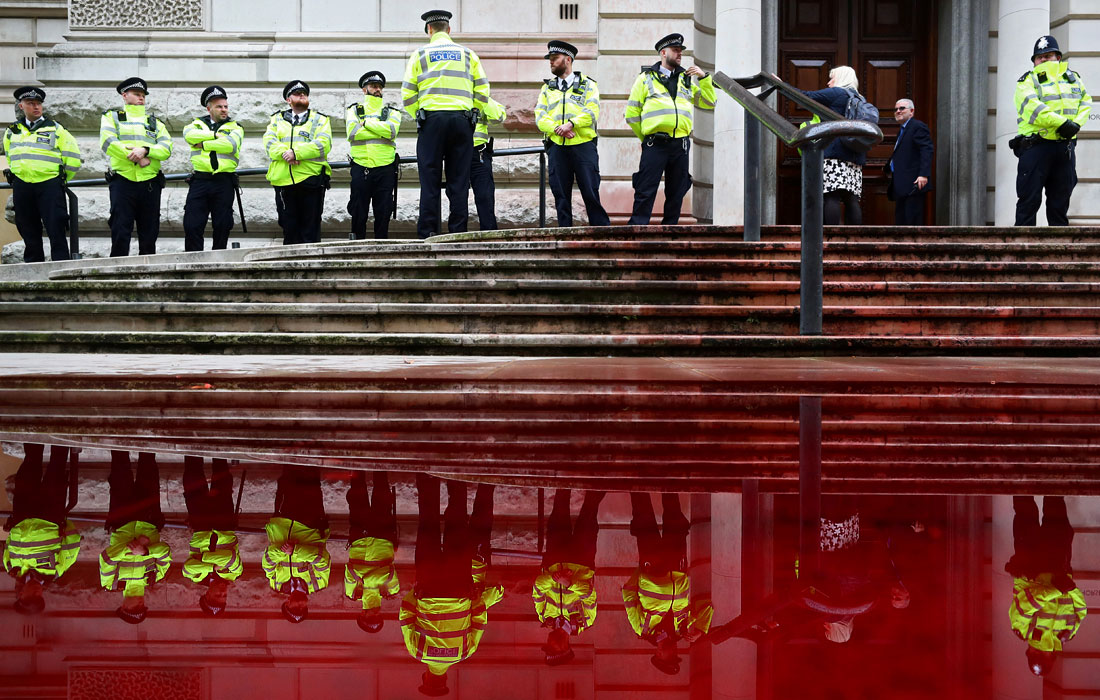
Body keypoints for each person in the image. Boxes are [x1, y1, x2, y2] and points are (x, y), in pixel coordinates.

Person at [402, 474, 502, 696]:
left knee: (457, 521)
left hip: (458, 584)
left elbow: (480, 616)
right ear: (427, 677)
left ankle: (456, 474)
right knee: (427, 521)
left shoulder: (464, 652)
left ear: (445, 676)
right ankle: (426, 473)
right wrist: (415, 592)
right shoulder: (416, 652)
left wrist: (472, 597)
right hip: (428, 584)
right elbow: (405, 616)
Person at [402, 9, 491, 238]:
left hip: (431, 122)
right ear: (449, 30)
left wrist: (417, 113)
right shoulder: (468, 54)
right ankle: (457, 233)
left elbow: (408, 94)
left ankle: (427, 233)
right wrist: (474, 112)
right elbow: (482, 89)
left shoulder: (420, 55)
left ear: (429, 30)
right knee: (459, 181)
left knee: (429, 181)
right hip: (461, 123)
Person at [625, 33, 716, 226]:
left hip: (680, 145)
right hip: (655, 144)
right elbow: (631, 114)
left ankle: (670, 231)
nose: (679, 54)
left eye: (681, 51)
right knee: (645, 189)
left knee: (676, 191)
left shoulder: (686, 79)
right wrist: (646, 138)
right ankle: (636, 230)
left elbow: (710, 102)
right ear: (663, 53)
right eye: (675, 51)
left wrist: (704, 78)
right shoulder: (645, 79)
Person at [622, 492, 713, 675]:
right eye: (676, 656)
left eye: (669, 656)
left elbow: (628, 593)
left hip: (652, 565)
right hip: (677, 567)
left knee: (643, 515)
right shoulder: (684, 630)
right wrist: (702, 630)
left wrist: (643, 572)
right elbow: (706, 606)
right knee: (674, 517)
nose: (674, 652)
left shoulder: (643, 629)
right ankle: (667, 473)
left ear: (659, 653)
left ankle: (637, 470)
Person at [1012, 35, 1091, 226]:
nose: (1044, 60)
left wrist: (1075, 126)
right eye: (1040, 57)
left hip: (1064, 147)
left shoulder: (1074, 79)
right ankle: (1021, 251)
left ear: (1058, 57)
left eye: (1049, 55)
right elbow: (1034, 108)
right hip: (1035, 147)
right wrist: (1063, 124)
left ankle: (1059, 251)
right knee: (1028, 202)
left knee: (1060, 203)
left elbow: (1086, 103)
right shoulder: (1027, 81)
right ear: (1034, 61)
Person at [1005, 496, 1087, 676]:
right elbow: (1081, 609)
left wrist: (1060, 589)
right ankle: (1030, 471)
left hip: (1031, 566)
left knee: (1035, 511)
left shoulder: (1023, 629)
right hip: (1053, 565)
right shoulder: (1067, 633)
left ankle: (1028, 471)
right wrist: (1070, 588)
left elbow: (1028, 602)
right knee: (1048, 510)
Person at [535, 40, 610, 228]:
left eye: (555, 59)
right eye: (550, 59)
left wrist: (571, 124)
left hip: (583, 146)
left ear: (568, 60)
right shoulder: (547, 88)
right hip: (557, 148)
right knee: (560, 196)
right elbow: (540, 117)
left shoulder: (588, 85)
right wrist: (557, 129)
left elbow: (592, 112)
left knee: (591, 192)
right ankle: (564, 235)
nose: (551, 62)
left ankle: (601, 235)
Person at [2, 87, 81, 262]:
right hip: (22, 186)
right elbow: (10, 156)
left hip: (49, 185)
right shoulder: (11, 131)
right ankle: (33, 267)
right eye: (31, 103)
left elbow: (74, 159)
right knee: (27, 229)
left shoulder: (56, 129)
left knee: (56, 227)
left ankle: (61, 266)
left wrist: (59, 179)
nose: (36, 107)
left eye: (38, 103)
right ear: (21, 106)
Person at [2, 444, 80, 614]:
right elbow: (73, 546)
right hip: (50, 516)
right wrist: (64, 524)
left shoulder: (11, 567)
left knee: (30, 463)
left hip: (22, 514)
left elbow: (9, 543)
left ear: (21, 594)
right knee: (57, 465)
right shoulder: (54, 572)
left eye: (31, 597)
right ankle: (62, 427)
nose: (37, 593)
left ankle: (34, 429)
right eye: (39, 597)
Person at [99, 77, 173, 257]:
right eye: (137, 94)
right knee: (120, 229)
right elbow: (108, 142)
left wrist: (146, 150)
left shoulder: (155, 123)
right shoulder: (112, 117)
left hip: (149, 183)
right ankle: (117, 273)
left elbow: (166, 148)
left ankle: (148, 275)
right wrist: (137, 158)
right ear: (124, 95)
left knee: (149, 232)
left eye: (143, 95)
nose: (141, 98)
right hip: (123, 181)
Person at [533, 489, 605, 666]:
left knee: (559, 506)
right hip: (582, 558)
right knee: (590, 508)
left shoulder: (543, 616)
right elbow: (589, 594)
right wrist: (568, 583)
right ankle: (600, 473)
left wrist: (555, 578)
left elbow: (537, 587)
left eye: (546, 646)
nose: (548, 643)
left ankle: (564, 469)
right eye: (553, 648)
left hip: (555, 557)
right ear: (565, 647)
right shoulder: (586, 621)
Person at [99, 451, 170, 624]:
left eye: (134, 608)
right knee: (149, 468)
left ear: (123, 606)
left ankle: (118, 430)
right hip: (149, 519)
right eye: (142, 607)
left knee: (120, 469)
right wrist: (145, 552)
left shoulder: (111, 583)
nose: (140, 604)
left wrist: (136, 546)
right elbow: (165, 552)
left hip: (121, 519)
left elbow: (107, 558)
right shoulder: (154, 577)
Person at [263, 80, 333, 245]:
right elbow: (269, 143)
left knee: (310, 229)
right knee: (289, 228)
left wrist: (296, 153)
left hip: (311, 180)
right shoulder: (276, 119)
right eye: (297, 93)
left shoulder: (320, 119)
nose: (302, 95)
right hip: (284, 181)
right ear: (288, 100)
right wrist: (285, 154)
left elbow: (324, 144)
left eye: (304, 93)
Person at [262, 465, 332, 623]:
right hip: (311, 524)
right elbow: (322, 559)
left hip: (283, 521)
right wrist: (295, 551)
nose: (301, 605)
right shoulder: (319, 584)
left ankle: (292, 449)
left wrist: (283, 552)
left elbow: (268, 561)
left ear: (287, 603)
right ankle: (312, 448)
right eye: (303, 608)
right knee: (311, 481)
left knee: (288, 479)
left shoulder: (276, 584)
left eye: (295, 607)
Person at [801, 66, 867, 225]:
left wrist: (781, 84)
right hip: (854, 155)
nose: (829, 82)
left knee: (831, 196)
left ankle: (833, 237)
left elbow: (805, 96)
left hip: (834, 153)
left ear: (841, 79)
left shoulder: (837, 93)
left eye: (832, 78)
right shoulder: (859, 98)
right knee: (851, 198)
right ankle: (854, 239)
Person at [182, 85, 244, 251]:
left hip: (223, 182)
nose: (224, 110)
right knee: (192, 224)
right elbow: (189, 136)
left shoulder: (235, 127)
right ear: (209, 108)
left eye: (225, 106)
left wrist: (203, 144)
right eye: (219, 107)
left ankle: (220, 259)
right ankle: (193, 261)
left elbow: (230, 145)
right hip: (200, 180)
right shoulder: (194, 125)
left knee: (223, 225)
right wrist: (215, 135)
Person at [181, 455, 242, 616]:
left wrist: (211, 566)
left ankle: (192, 441)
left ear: (207, 594)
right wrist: (201, 559)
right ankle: (219, 443)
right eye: (224, 596)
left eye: (217, 595)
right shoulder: (234, 574)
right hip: (224, 522)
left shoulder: (196, 577)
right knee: (222, 474)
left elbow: (187, 567)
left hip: (200, 524)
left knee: (192, 477)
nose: (223, 592)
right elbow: (231, 557)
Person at [346, 71, 402, 239]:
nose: (377, 89)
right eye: (373, 86)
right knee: (358, 210)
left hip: (385, 167)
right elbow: (353, 133)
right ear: (365, 90)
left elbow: (392, 131)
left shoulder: (392, 112)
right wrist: (379, 129)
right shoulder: (354, 110)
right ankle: (356, 246)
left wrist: (366, 123)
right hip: (361, 166)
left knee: (384, 211)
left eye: (379, 87)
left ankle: (382, 245)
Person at [344, 471, 401, 633]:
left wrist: (371, 577)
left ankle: (356, 457)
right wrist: (365, 578)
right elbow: (390, 572)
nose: (375, 614)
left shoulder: (353, 594)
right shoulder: (391, 592)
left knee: (357, 491)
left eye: (370, 617)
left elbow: (350, 571)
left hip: (359, 538)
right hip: (383, 537)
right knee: (382, 489)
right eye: (378, 617)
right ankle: (379, 458)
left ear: (363, 614)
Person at [884, 98, 933, 225]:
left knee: (911, 220)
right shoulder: (902, 130)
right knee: (901, 220)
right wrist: (888, 166)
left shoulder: (917, 127)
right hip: (901, 184)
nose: (898, 111)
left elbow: (926, 150)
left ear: (911, 111)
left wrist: (923, 174)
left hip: (913, 183)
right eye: (896, 109)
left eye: (902, 108)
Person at [470, 96, 507, 230]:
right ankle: (457, 234)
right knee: (457, 196)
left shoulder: (480, 97)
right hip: (457, 153)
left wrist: (481, 96)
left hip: (479, 152)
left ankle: (489, 233)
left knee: (485, 196)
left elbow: (498, 117)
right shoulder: (455, 96)